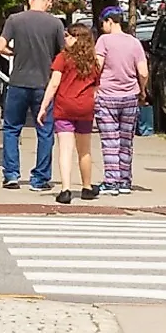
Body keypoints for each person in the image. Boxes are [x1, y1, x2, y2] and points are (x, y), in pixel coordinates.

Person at [0, 0, 66, 191]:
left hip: (18, 81)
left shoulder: (14, 20)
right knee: (45, 131)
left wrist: (14, 53)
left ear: (30, 0)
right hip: (44, 84)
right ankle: (40, 179)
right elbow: (63, 54)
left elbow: (0, 47)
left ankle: (11, 175)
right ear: (48, 3)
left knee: (11, 128)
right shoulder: (55, 23)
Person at [39, 15, 104, 205]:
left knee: (65, 149)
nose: (64, 39)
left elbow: (53, 84)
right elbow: (95, 88)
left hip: (64, 106)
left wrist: (43, 107)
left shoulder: (62, 58)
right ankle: (86, 187)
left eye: (67, 36)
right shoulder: (93, 62)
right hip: (85, 108)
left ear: (77, 38)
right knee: (84, 150)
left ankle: (65, 189)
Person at [94, 6, 150, 195]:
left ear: (110, 21)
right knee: (126, 141)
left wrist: (94, 86)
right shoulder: (134, 43)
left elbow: (98, 66)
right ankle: (125, 181)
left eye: (103, 23)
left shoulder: (104, 41)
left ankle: (111, 182)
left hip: (107, 96)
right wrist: (142, 91)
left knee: (110, 141)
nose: (102, 28)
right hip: (130, 97)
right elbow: (143, 72)